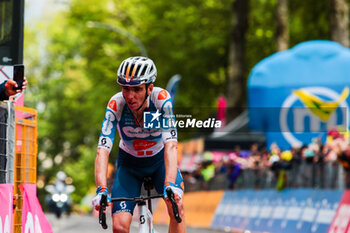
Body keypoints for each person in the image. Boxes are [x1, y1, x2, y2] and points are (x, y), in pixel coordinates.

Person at [92, 56, 186, 233]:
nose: (130, 95)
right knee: (119, 227)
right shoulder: (116, 104)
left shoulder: (161, 100)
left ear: (150, 88)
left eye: (137, 89)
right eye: (126, 88)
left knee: (177, 208)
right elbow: (102, 150)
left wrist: (170, 183)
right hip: (130, 165)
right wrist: (101, 189)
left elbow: (171, 145)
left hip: (159, 163)